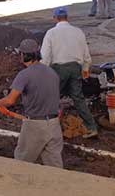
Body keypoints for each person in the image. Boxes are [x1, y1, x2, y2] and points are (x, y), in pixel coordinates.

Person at [0, 39, 63, 168]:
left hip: (34, 125)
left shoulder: (24, 75)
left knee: (22, 163)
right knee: (55, 167)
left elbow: (10, 100)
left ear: (24, 56)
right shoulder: (52, 73)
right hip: (54, 124)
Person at [41, 7, 98, 138]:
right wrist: (85, 69)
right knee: (78, 98)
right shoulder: (78, 32)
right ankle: (91, 127)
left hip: (58, 69)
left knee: (52, 97)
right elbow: (86, 55)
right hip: (75, 68)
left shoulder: (51, 33)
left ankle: (47, 129)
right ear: (67, 17)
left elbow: (45, 57)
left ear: (55, 18)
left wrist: (43, 72)